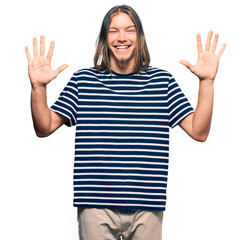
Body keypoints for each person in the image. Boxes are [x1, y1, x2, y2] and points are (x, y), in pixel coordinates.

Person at [25, 5, 226, 240]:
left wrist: (207, 83)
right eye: (114, 31)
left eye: (129, 30)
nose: (122, 38)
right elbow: (44, 127)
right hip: (95, 205)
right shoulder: (83, 80)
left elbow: (198, 131)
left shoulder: (162, 82)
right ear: (104, 38)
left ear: (139, 37)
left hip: (148, 205)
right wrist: (38, 87)